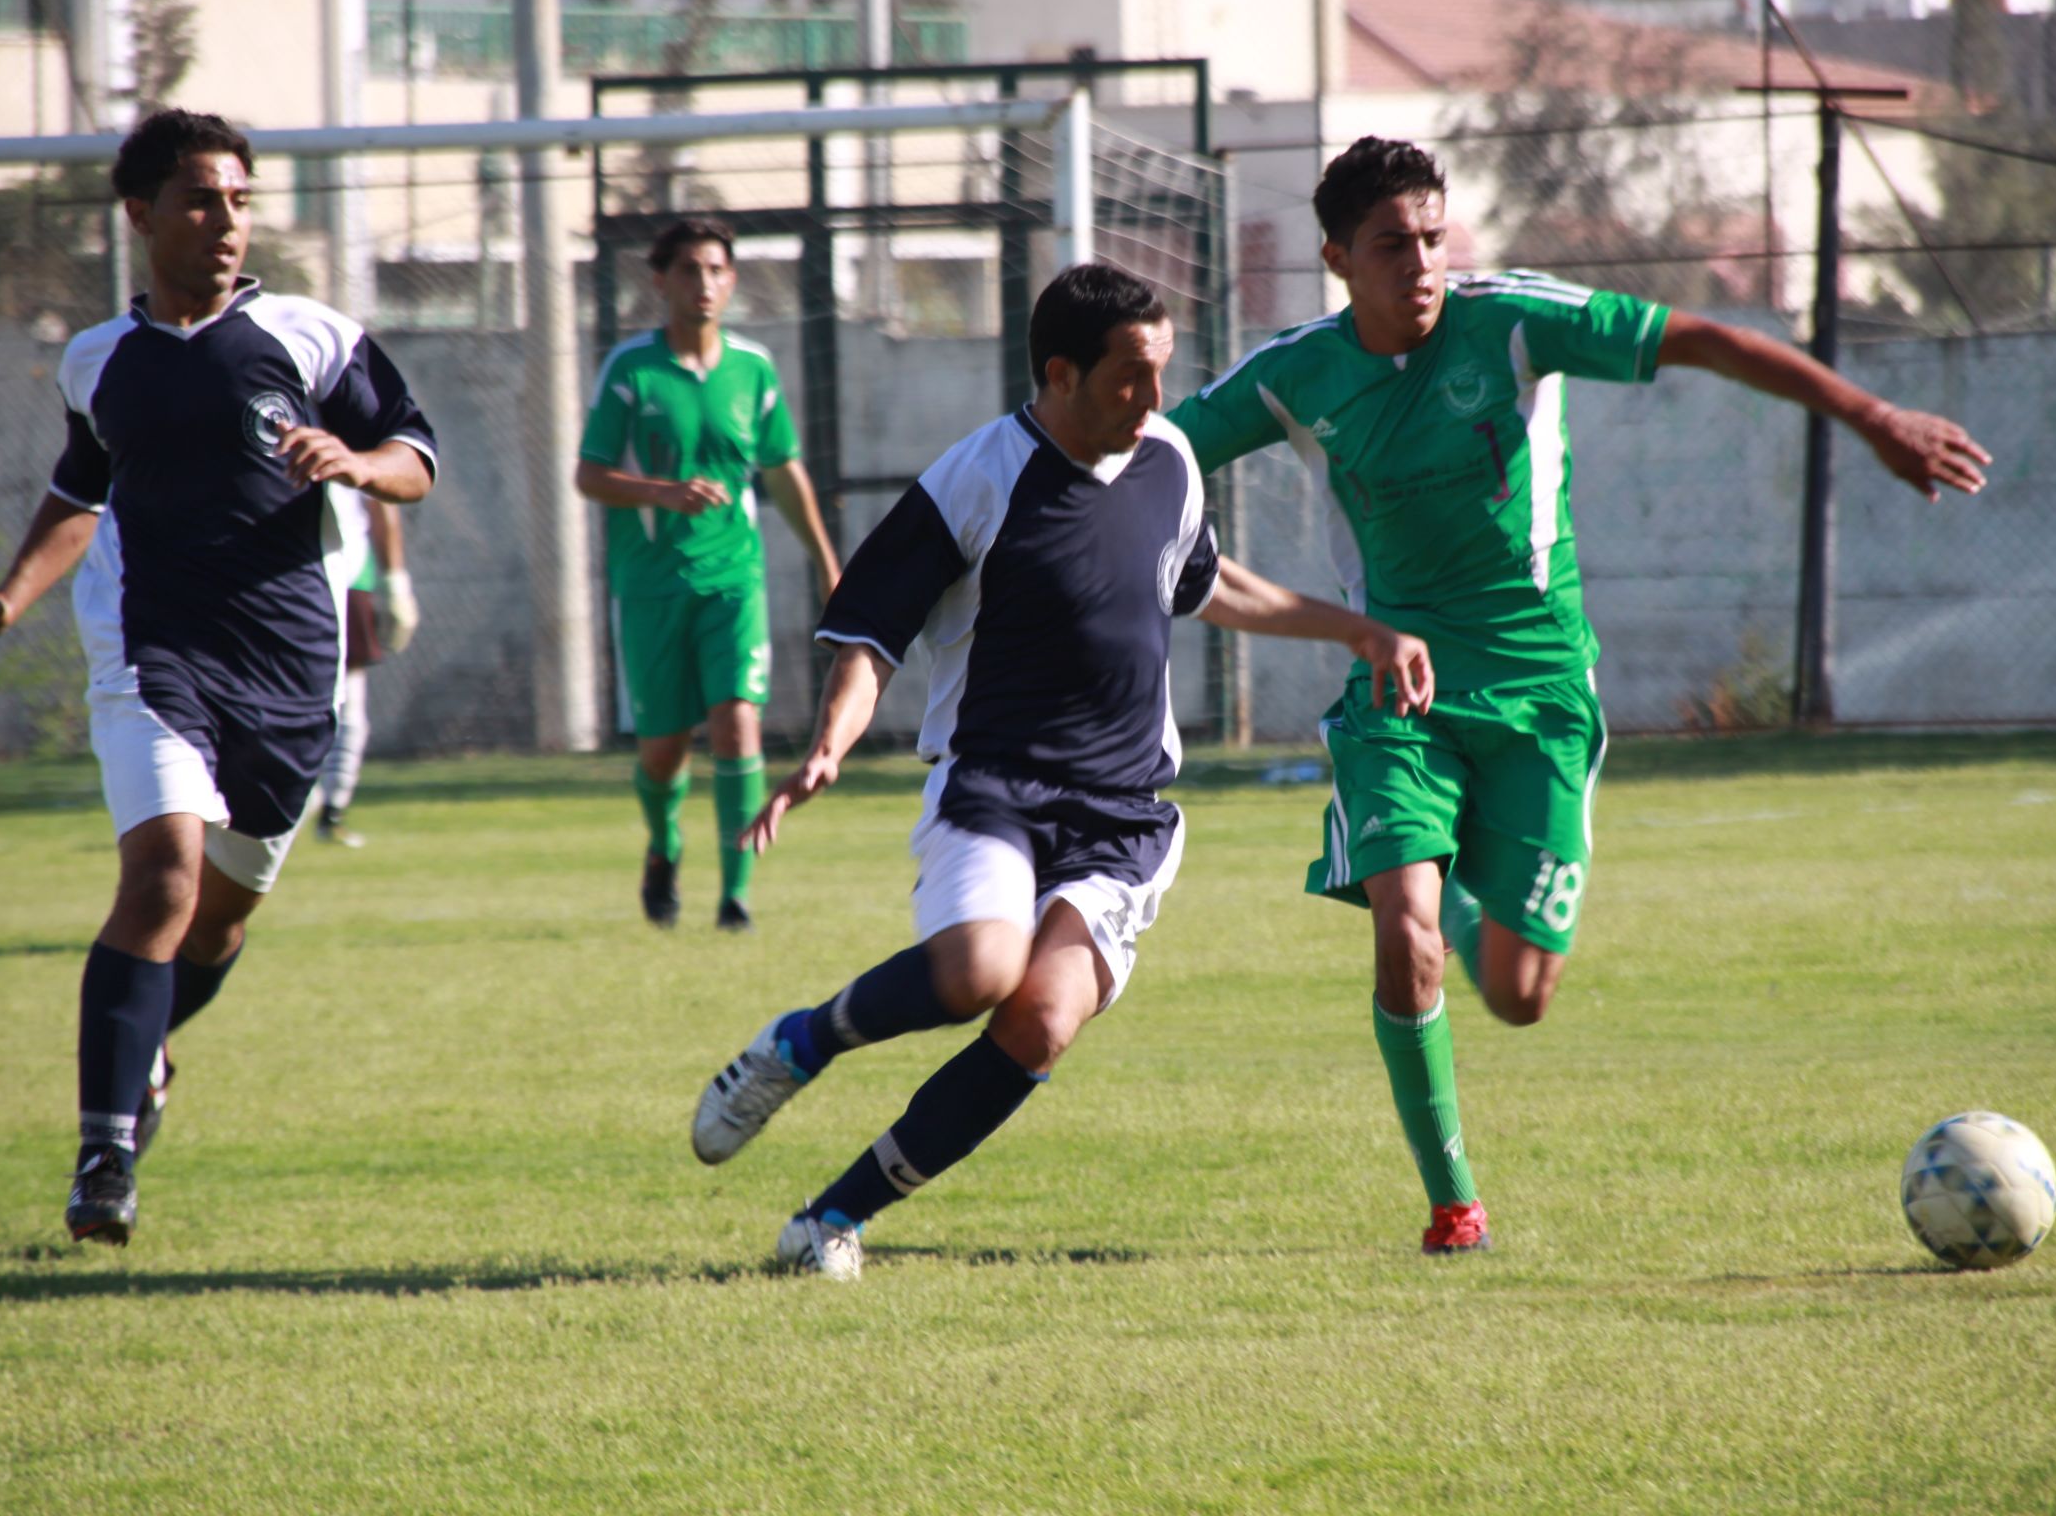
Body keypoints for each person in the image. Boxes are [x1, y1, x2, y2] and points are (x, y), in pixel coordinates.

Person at [1164, 137, 1992, 1255]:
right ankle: (1454, 1206)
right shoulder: (1294, 374)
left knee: (1517, 994)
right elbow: (1158, 454)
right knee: (1404, 939)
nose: (1420, 262)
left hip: (1544, 697)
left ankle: (1447, 896)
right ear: (1335, 258)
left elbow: (1698, 339)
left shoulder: (1511, 322)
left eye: (1431, 236)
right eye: (1390, 245)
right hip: (1399, 695)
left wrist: (1872, 417)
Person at [687, 262, 1435, 1281]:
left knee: (1038, 1020)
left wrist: (1358, 631)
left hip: (1123, 817)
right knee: (979, 973)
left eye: (1162, 373)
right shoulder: (978, 476)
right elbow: (869, 634)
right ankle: (800, 1044)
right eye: (1131, 376)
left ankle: (830, 1220)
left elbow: (1211, 586)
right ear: (1061, 374)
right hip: (993, 788)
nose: (1154, 400)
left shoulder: (1168, 460)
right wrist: (830, 743)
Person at [0, 108, 438, 1245]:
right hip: (152, 653)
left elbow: (416, 455)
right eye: (201, 200)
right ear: (142, 214)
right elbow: (82, 493)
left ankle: (149, 1051)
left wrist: (355, 461)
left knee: (216, 927)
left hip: (291, 673)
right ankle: (103, 1155)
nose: (225, 222)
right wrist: (11, 599)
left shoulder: (313, 340)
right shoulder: (98, 361)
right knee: (162, 879)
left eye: (239, 201)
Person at [575, 217, 841, 932]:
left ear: (733, 280)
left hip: (734, 579)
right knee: (663, 752)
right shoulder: (632, 370)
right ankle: (664, 845)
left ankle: (736, 896)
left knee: (737, 722)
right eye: (690, 270)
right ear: (660, 282)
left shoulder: (753, 368)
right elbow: (588, 474)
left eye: (718, 269)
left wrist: (826, 561)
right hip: (652, 586)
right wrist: (662, 491)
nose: (706, 283)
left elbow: (782, 468)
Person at [312, 484, 420, 848]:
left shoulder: (349, 432)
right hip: (281, 575)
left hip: (347, 573)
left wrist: (395, 580)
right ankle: (300, 793)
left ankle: (332, 808)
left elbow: (381, 500)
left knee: (349, 698)